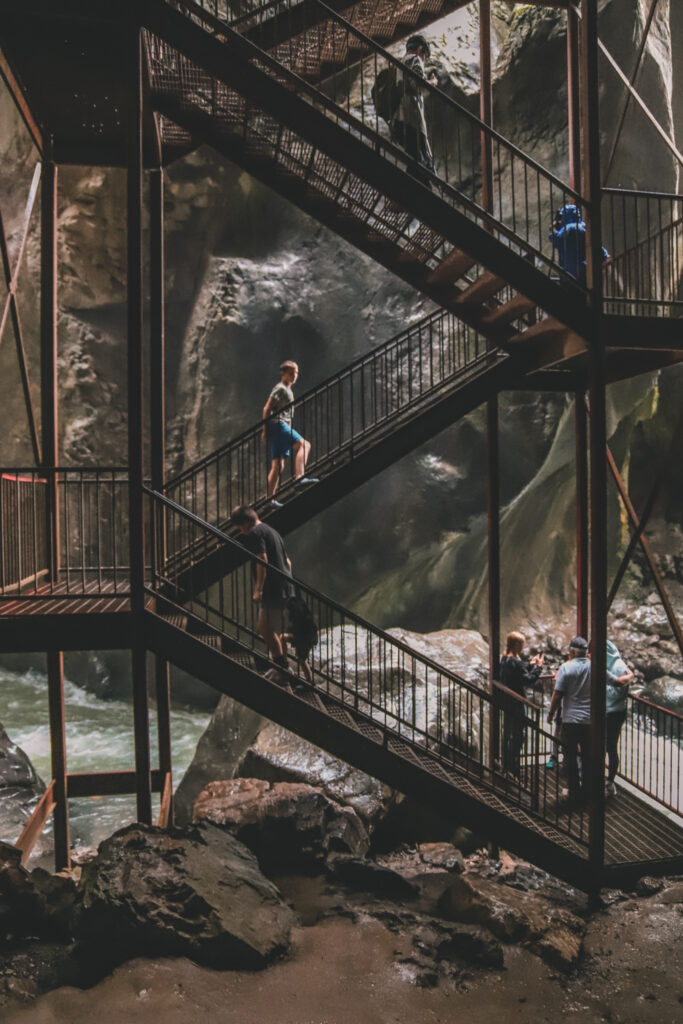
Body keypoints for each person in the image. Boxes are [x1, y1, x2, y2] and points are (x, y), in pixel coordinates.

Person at [231, 505, 295, 674]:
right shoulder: (271, 531)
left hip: (273, 587)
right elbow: (288, 562)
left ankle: (282, 668)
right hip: (284, 586)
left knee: (264, 628)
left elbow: (262, 559)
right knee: (272, 629)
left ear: (246, 522)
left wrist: (259, 588)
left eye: (239, 527)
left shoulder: (256, 533)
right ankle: (283, 665)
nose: (240, 531)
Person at [261, 360, 318, 509]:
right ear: (283, 373)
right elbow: (266, 409)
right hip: (278, 425)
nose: (294, 376)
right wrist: (265, 431)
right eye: (291, 373)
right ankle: (299, 478)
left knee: (278, 465)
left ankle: (269, 500)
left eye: (296, 373)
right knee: (304, 445)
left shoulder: (286, 389)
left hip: (278, 427)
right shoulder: (280, 388)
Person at [547, 636, 592, 807]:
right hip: (590, 720)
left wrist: (551, 714)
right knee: (588, 756)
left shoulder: (566, 668)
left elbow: (557, 694)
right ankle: (587, 791)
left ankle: (573, 791)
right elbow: (612, 682)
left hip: (570, 720)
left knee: (570, 756)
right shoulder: (594, 666)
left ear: (573, 651)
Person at [390, 34, 436, 181]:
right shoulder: (414, 59)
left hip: (399, 118)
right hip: (411, 118)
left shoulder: (401, 63)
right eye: (425, 57)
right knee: (421, 163)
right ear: (420, 49)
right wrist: (432, 83)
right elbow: (418, 84)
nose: (424, 60)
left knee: (416, 160)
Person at [498, 631, 544, 777]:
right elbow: (528, 680)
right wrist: (538, 667)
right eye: (522, 644)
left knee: (508, 733)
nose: (523, 647)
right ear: (517, 644)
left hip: (507, 700)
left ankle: (507, 764)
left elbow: (519, 674)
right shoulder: (515, 662)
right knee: (519, 735)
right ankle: (513, 766)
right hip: (516, 701)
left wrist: (530, 665)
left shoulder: (505, 659)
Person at [549, 204, 609, 286]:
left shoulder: (568, 228)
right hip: (583, 276)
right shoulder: (585, 229)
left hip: (568, 276)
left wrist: (554, 228)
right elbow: (603, 254)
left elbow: (554, 239)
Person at [605, 640, 633, 797]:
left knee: (610, 747)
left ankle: (609, 781)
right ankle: (605, 780)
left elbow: (617, 692)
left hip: (613, 713)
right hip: (611, 711)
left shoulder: (619, 667)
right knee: (607, 746)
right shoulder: (613, 665)